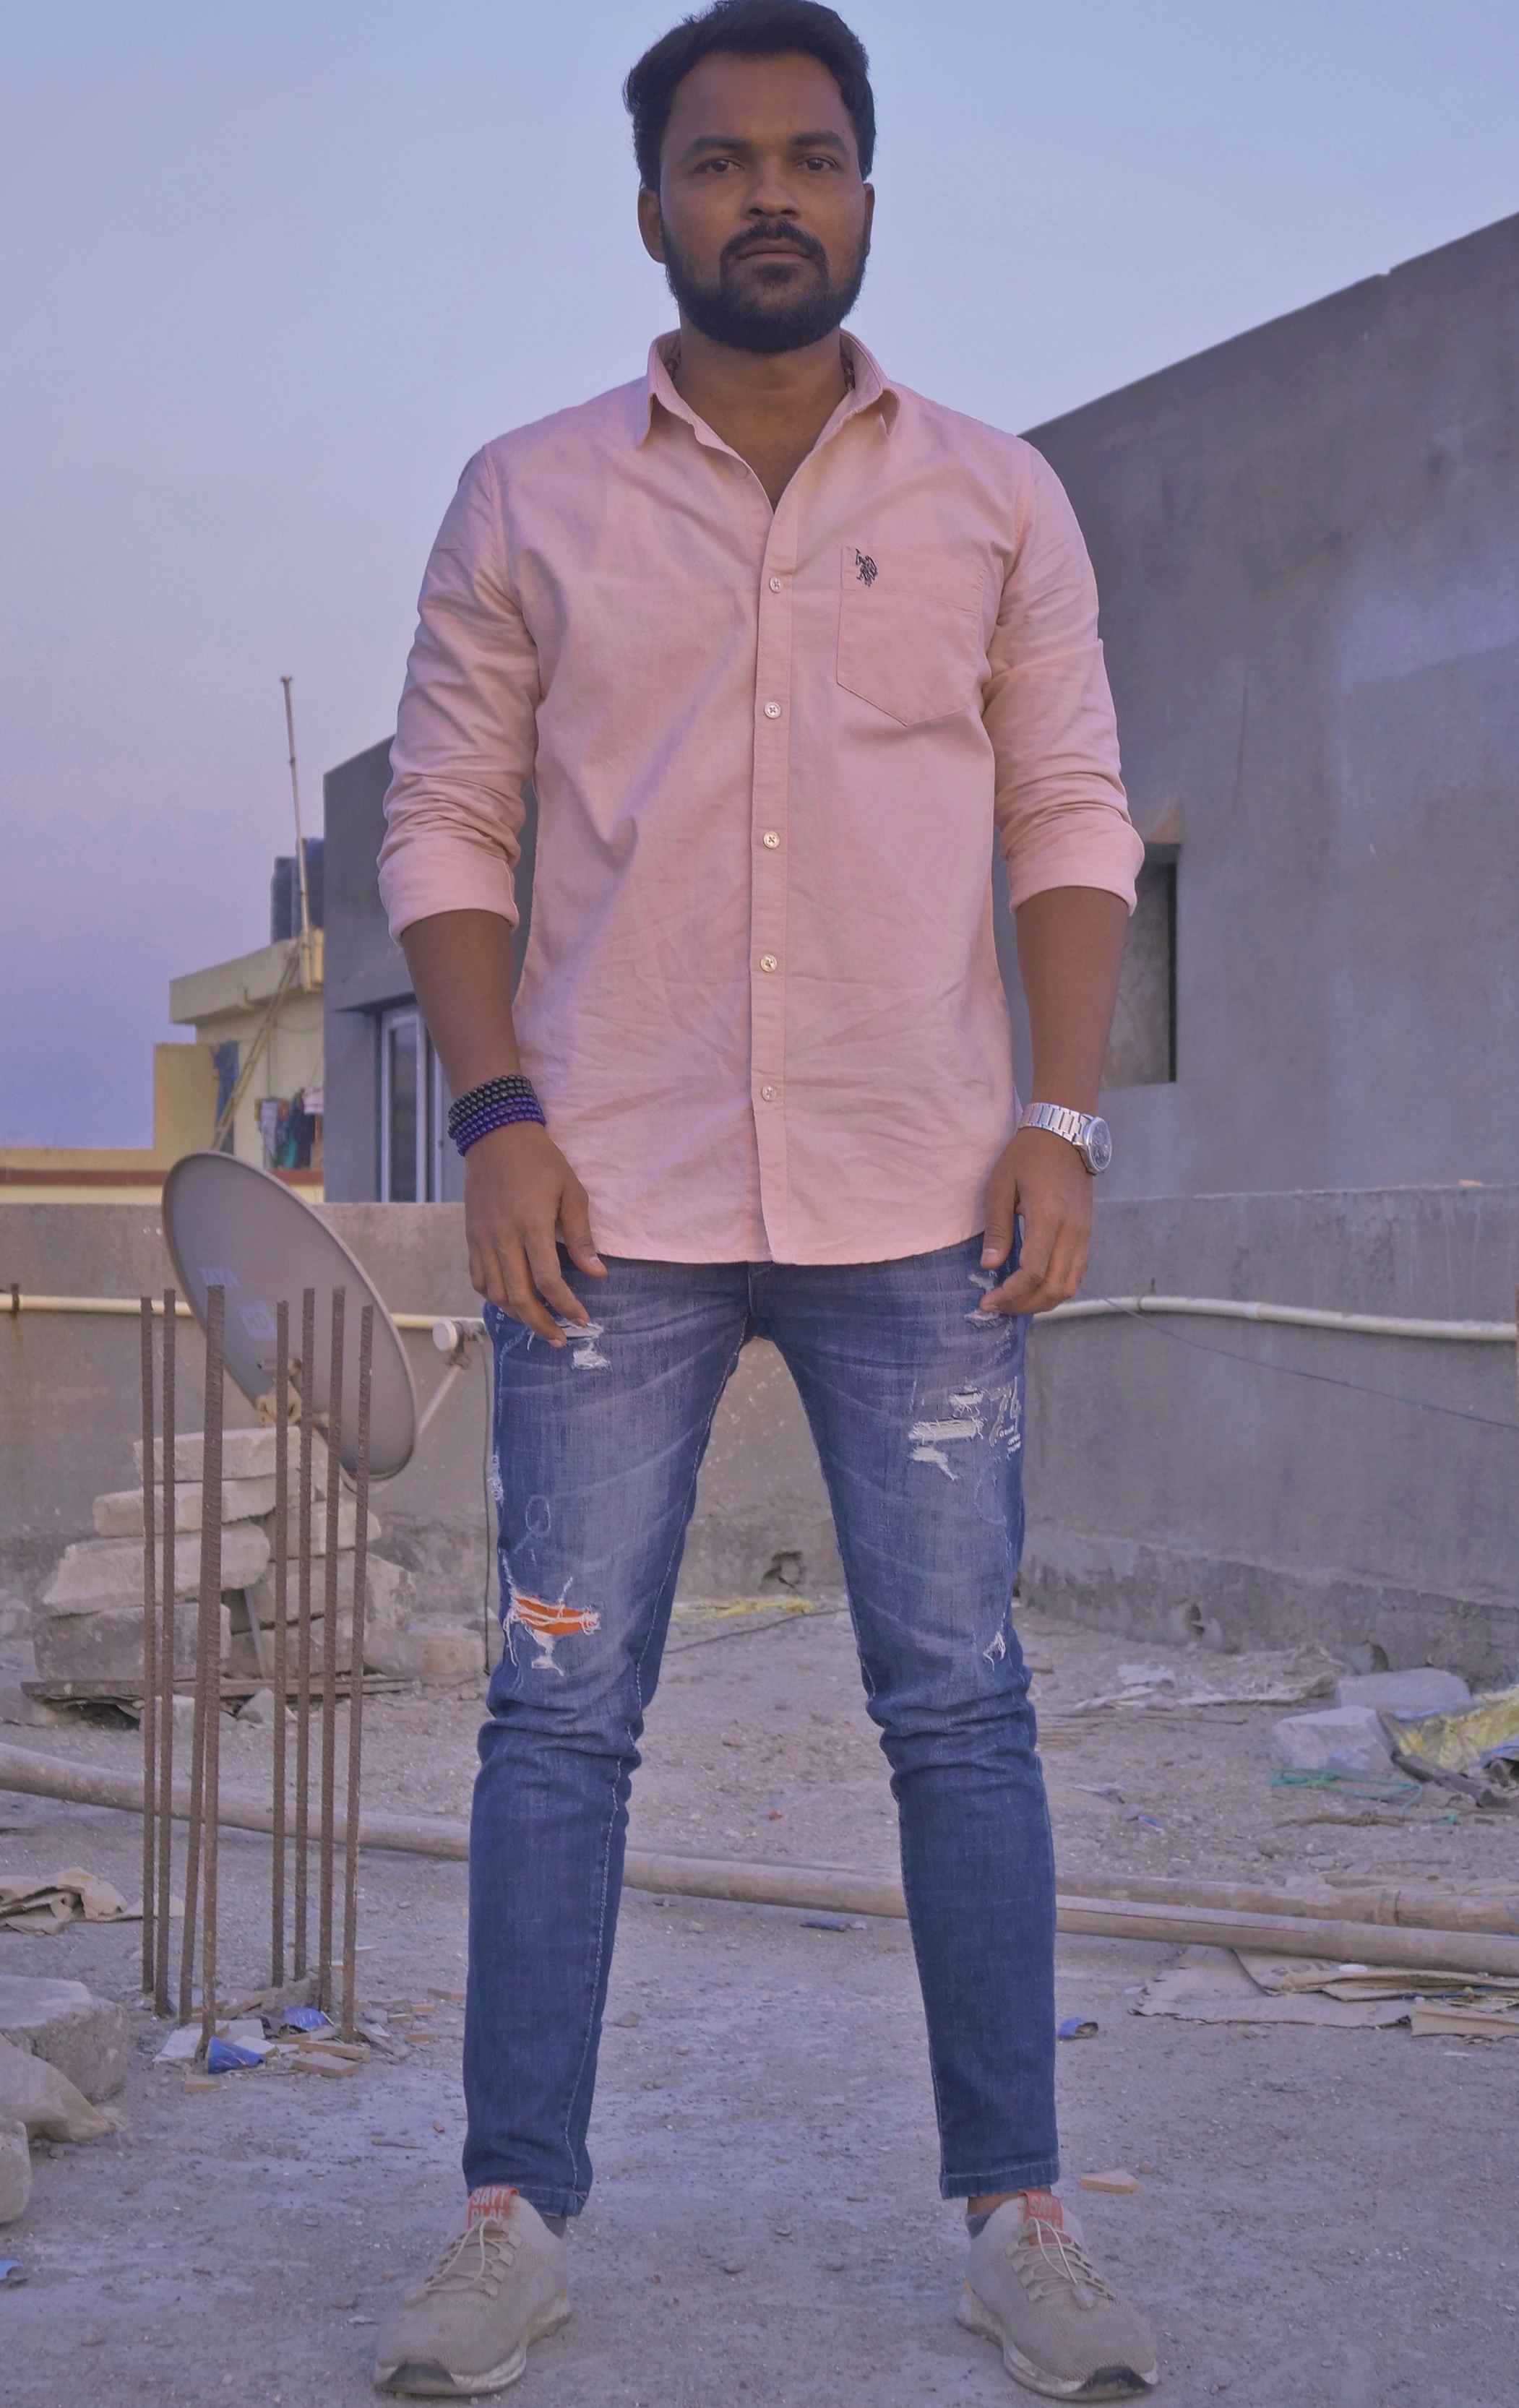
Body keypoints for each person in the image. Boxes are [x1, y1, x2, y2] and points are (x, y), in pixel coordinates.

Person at [372, 4, 1158, 2396]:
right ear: (654, 211)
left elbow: (1071, 810)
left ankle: (1020, 2216)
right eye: (722, 163)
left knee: (964, 1708)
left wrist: (1061, 1119)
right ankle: (509, 2214)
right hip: (601, 1204)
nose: (770, 195)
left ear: (870, 197)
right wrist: (495, 1118)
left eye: (813, 157)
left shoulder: (1000, 498)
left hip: (925, 1197)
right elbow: (447, 822)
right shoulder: (528, 496)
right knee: (556, 1711)